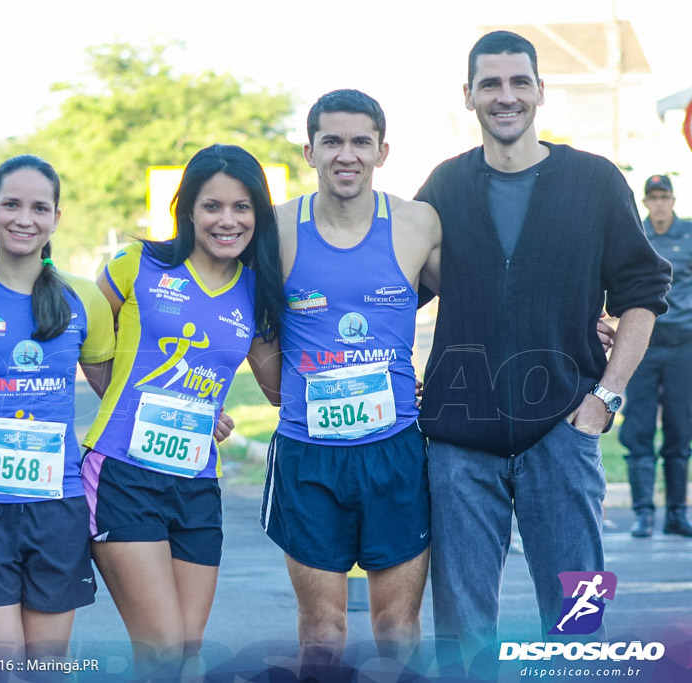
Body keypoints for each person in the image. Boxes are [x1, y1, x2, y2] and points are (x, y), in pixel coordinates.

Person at [414, 30, 671, 663]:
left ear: (540, 91)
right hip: (457, 446)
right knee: (462, 629)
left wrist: (604, 400)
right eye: (491, 84)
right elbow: (391, 289)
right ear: (469, 95)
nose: (506, 96)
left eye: (518, 82)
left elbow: (642, 294)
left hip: (564, 432)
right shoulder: (444, 187)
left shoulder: (594, 180)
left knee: (580, 621)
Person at [254, 89, 441, 675]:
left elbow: (480, 305)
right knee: (323, 633)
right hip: (309, 457)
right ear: (309, 150)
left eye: (361, 141)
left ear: (382, 151)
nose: (346, 154)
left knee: (397, 627)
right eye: (332, 141)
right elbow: (251, 325)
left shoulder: (416, 223)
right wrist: (282, 393)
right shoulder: (277, 228)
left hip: (396, 453)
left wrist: (582, 317)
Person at [81, 144, 285, 677]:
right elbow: (84, 341)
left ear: (258, 214)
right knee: (163, 650)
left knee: (185, 653)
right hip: (123, 474)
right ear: (187, 209)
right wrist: (130, 404)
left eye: (242, 207)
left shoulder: (256, 290)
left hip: (196, 485)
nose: (228, 220)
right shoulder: (136, 264)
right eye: (212, 206)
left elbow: (278, 390)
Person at [0, 155, 115, 663]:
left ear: (57, 218)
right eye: (11, 204)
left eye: (39, 207)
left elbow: (116, 395)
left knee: (46, 669)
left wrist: (201, 411)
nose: (23, 218)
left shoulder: (83, 299)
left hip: (58, 507)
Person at [620, 174, 692, 538]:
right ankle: (643, 514)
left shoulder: (689, 234)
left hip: (684, 347)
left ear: (673, 200)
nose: (660, 203)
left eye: (665, 197)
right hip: (643, 347)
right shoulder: (637, 234)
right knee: (639, 428)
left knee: (681, 430)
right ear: (646, 202)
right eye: (654, 198)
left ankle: (678, 512)